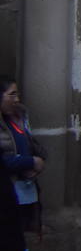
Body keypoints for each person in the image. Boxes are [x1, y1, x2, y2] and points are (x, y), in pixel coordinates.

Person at [1, 76, 45, 234]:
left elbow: (31, 145)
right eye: (12, 94)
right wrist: (30, 162)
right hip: (7, 193)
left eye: (17, 94)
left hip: (25, 190)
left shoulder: (18, 118)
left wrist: (40, 159)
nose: (16, 99)